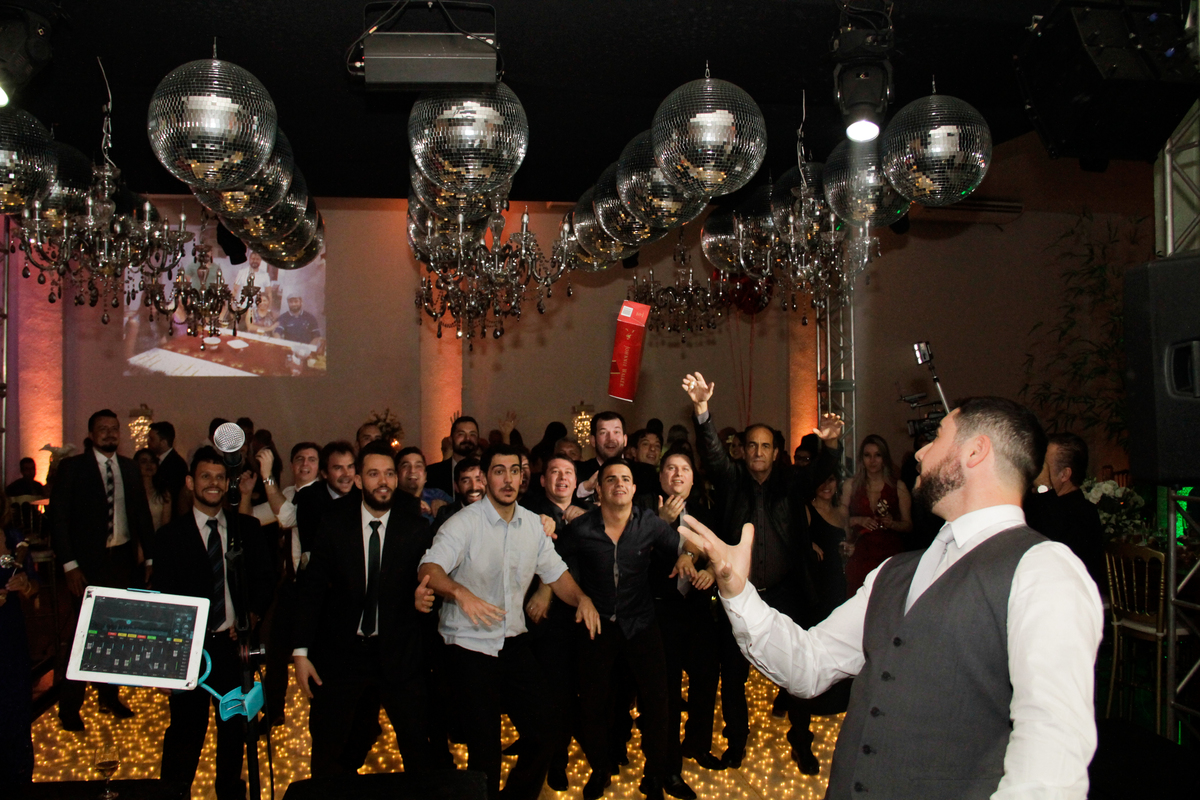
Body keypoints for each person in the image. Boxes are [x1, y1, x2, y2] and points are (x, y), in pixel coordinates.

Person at [680, 397, 1104, 798]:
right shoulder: (896, 572)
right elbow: (808, 664)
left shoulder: (1043, 571)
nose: (919, 453)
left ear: (975, 452)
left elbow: (1050, 763)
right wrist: (737, 589)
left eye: (937, 437)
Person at [417, 443, 600, 800]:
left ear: (522, 476)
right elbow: (429, 567)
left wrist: (582, 598)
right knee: (485, 750)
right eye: (499, 471)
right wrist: (459, 592)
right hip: (468, 645)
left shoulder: (532, 525)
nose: (507, 479)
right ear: (485, 478)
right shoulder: (463, 523)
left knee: (546, 731)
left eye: (514, 471)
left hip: (513, 644)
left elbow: (556, 573)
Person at [682, 372, 841, 773]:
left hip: (787, 592)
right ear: (744, 451)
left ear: (775, 453)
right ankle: (737, 743)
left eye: (765, 446)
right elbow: (714, 454)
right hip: (739, 595)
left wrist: (831, 442)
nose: (757, 452)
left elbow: (820, 470)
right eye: (751, 445)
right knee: (734, 673)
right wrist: (702, 409)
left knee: (797, 669)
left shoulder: (789, 483)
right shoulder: (732, 479)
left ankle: (800, 741)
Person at [556, 458, 698, 800]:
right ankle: (600, 769)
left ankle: (655, 775)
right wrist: (564, 595)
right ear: (600, 491)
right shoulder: (582, 528)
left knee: (659, 702)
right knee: (593, 703)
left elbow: (686, 541)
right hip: (597, 626)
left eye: (626, 479)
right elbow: (552, 563)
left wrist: (687, 556)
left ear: (634, 489)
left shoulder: (648, 523)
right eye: (611, 480)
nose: (619, 484)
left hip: (642, 623)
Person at [293, 441, 436, 776]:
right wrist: (300, 652)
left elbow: (425, 579)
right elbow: (312, 588)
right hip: (342, 653)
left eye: (389, 473)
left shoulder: (413, 526)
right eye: (374, 474)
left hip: (398, 652)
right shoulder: (334, 522)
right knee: (329, 749)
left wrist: (420, 598)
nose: (383, 481)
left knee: (418, 748)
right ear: (358, 480)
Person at [155, 448, 274, 800]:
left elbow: (266, 580)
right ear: (191, 482)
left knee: (235, 733)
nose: (213, 484)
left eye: (220, 478)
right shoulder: (170, 537)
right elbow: (164, 599)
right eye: (206, 476)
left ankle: (230, 793)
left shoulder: (246, 529)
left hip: (232, 648)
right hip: (188, 651)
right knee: (185, 735)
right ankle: (174, 794)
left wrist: (251, 614)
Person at [51, 409, 156, 731]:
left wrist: (151, 557)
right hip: (85, 566)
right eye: (103, 429)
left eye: (114, 429)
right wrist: (70, 565)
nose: (110, 434)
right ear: (91, 433)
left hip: (121, 563)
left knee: (114, 635)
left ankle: (108, 696)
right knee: (81, 635)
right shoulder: (72, 468)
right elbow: (58, 520)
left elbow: (141, 516)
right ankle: (69, 706)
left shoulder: (128, 468)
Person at [652, 450, 724, 772]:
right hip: (660, 611)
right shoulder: (644, 510)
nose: (677, 474)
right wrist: (660, 523)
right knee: (665, 691)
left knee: (706, 680)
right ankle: (668, 765)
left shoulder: (705, 509)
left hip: (697, 608)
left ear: (693, 478)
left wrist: (709, 569)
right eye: (670, 468)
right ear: (661, 476)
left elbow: (715, 550)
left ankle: (697, 744)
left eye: (684, 469)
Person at [1025, 432, 1106, 590]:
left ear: (1065, 474)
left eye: (1043, 467)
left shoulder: (1083, 513)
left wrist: (1044, 487)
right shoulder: (1037, 501)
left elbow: (1052, 543)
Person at [842, 434, 912, 597]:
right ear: (861, 459)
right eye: (867, 455)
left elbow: (908, 525)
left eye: (877, 455)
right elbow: (839, 520)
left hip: (889, 554)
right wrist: (858, 520)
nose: (872, 460)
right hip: (860, 553)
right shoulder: (850, 485)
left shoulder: (898, 487)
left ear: (884, 458)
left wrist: (893, 523)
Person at [0, 490, 37, 790]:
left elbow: (33, 588)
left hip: (10, 635)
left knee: (15, 711)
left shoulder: (13, 538)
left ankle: (18, 782)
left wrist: (25, 585)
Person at [426, 416, 480, 498]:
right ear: (451, 439)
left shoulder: (486, 471)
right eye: (461, 434)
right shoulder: (432, 473)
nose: (467, 438)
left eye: (472, 434)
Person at [396, 447, 451, 522]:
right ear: (397, 474)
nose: (412, 470)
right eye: (405, 466)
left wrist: (446, 506)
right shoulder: (390, 501)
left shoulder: (438, 495)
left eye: (418, 466)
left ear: (425, 475)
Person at [148, 421, 189, 518]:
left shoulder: (177, 464)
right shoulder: (156, 460)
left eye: (152, 439)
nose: (148, 442)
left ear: (163, 442)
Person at [431, 457, 485, 530]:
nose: (474, 487)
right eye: (466, 481)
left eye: (478, 480)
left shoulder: (499, 512)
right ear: (456, 487)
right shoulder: (446, 516)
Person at [134, 448, 172, 531]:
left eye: (152, 461)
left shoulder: (163, 493)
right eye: (144, 462)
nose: (149, 465)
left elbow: (165, 525)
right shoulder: (131, 492)